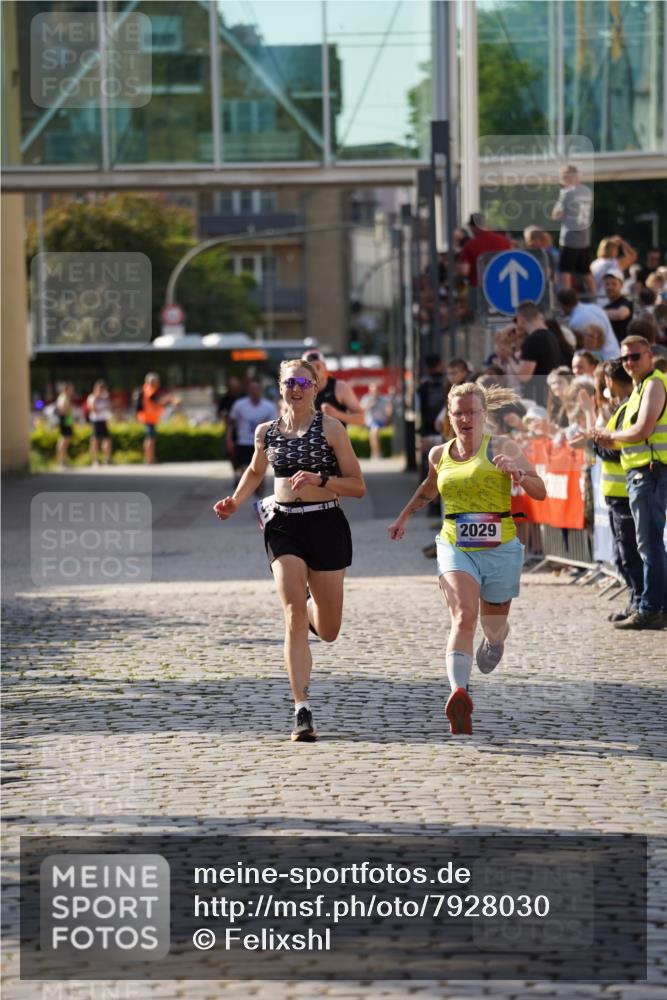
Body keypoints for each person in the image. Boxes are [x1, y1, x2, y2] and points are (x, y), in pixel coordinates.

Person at [213, 359, 365, 741]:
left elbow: (358, 485)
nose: (296, 388)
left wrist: (320, 478)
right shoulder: (267, 432)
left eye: (303, 382)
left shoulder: (332, 429)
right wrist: (234, 500)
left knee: (328, 630)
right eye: (288, 382)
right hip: (282, 526)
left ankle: (315, 604)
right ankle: (302, 709)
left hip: (326, 522)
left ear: (315, 387)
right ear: (279, 387)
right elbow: (254, 470)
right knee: (293, 614)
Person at [388, 382, 546, 736]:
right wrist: (403, 517)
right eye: (457, 413)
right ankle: (459, 693)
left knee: (492, 627)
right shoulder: (438, 454)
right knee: (463, 615)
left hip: (501, 548)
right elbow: (430, 488)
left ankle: (495, 641)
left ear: (483, 414)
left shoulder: (502, 447)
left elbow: (541, 490)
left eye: (471, 412)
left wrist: (518, 474)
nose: (463, 419)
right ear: (450, 415)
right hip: (454, 543)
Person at [593, 335, 667, 629]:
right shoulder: (638, 388)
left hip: (650, 473)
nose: (629, 363)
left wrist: (609, 436)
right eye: (625, 359)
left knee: (649, 546)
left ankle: (651, 609)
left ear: (649, 356)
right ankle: (651, 605)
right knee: (646, 545)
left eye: (635, 356)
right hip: (640, 474)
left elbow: (641, 429)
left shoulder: (654, 384)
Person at [591, 359, 644, 622]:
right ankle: (635, 602)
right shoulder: (623, 406)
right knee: (623, 555)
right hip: (617, 493)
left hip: (624, 492)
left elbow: (615, 450)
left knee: (629, 554)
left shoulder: (626, 407)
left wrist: (598, 442)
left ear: (610, 382)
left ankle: (640, 603)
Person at [502, 300, 562, 406]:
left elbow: (524, 375)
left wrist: (509, 358)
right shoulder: (551, 336)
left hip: (537, 399)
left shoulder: (533, 340)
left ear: (521, 319)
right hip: (550, 396)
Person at [550, 163, 595, 297]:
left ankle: (566, 299)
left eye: (563, 177)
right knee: (586, 271)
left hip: (569, 238)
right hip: (584, 238)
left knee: (565, 271)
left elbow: (555, 215)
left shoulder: (567, 193)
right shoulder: (587, 191)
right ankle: (595, 297)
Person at [226, 378, 278, 490]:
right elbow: (231, 424)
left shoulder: (269, 406)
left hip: (261, 443)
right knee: (245, 467)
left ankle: (258, 484)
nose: (255, 391)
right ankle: (248, 486)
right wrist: (229, 439)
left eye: (257, 388)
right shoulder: (239, 405)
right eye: (252, 389)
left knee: (259, 469)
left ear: (261, 390)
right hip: (243, 442)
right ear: (248, 390)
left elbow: (275, 427)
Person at [458, 212, 511, 309]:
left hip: (478, 288)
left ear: (473, 227)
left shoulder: (470, 245)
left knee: (478, 318)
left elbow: (465, 271)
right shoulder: (503, 241)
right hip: (502, 287)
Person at [301, 350, 364, 427]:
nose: (315, 371)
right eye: (310, 368)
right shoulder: (299, 390)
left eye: (317, 366)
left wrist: (336, 414)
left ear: (325, 367)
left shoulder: (339, 387)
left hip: (335, 438)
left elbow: (361, 419)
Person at [557, 288, 619, 361]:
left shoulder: (576, 321)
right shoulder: (595, 308)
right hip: (615, 354)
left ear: (562, 305)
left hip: (602, 361)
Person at [136, 373, 174, 465]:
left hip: (150, 417)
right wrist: (168, 400)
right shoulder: (149, 389)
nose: (158, 383)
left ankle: (150, 458)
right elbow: (155, 401)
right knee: (150, 439)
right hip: (148, 417)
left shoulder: (148, 389)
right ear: (152, 381)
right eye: (156, 381)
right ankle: (149, 459)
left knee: (150, 439)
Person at [360, 383, 392, 460]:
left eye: (375, 390)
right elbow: (360, 410)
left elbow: (389, 408)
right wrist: (368, 405)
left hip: (381, 422)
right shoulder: (366, 399)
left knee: (374, 431)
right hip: (369, 422)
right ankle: (376, 453)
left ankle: (376, 453)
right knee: (374, 432)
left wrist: (388, 416)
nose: (374, 392)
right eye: (372, 390)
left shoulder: (384, 399)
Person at [602, 269, 633, 344]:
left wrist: (599, 313)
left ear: (621, 285)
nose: (610, 287)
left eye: (614, 284)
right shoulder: (605, 307)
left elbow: (621, 315)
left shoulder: (625, 302)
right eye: (607, 284)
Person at [86, 379, 112, 465]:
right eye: (99, 388)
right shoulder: (92, 397)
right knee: (95, 441)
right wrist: (97, 397)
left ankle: (107, 459)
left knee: (107, 440)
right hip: (95, 421)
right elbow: (93, 409)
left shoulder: (105, 397)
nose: (101, 390)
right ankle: (95, 460)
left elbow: (109, 407)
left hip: (103, 420)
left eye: (102, 388)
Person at [55, 382, 74, 468]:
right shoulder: (63, 398)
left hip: (67, 422)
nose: (72, 390)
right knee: (63, 440)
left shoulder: (66, 397)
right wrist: (66, 411)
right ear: (66, 389)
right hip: (64, 422)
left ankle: (64, 460)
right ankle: (61, 461)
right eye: (71, 389)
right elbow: (62, 410)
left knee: (66, 440)